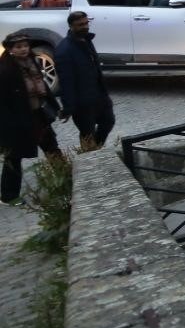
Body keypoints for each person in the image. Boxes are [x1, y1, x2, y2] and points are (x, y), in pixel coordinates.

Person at [1, 32, 63, 205]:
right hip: (18, 120)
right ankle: (8, 196)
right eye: (19, 47)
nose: (23, 49)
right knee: (13, 157)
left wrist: (55, 107)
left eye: (25, 46)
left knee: (52, 148)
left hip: (38, 115)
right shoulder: (5, 70)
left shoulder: (33, 62)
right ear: (11, 49)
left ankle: (67, 179)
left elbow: (43, 86)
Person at [54, 11, 114, 151]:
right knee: (87, 133)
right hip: (83, 103)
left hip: (99, 96)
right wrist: (68, 107)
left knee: (108, 122)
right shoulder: (64, 50)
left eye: (86, 23)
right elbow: (66, 81)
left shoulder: (85, 40)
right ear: (71, 26)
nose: (85, 26)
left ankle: (95, 152)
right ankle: (89, 159)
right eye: (80, 25)